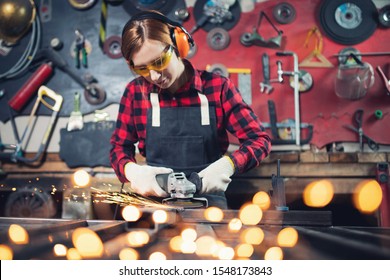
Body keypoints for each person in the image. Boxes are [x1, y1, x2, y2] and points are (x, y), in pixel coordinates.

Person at [110, 10, 271, 208]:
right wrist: (131, 170)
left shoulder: (218, 88)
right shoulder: (135, 93)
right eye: (142, 68)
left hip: (209, 204)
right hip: (156, 207)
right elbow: (118, 148)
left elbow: (259, 140)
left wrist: (228, 165)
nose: (153, 76)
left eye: (159, 62)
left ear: (179, 46)